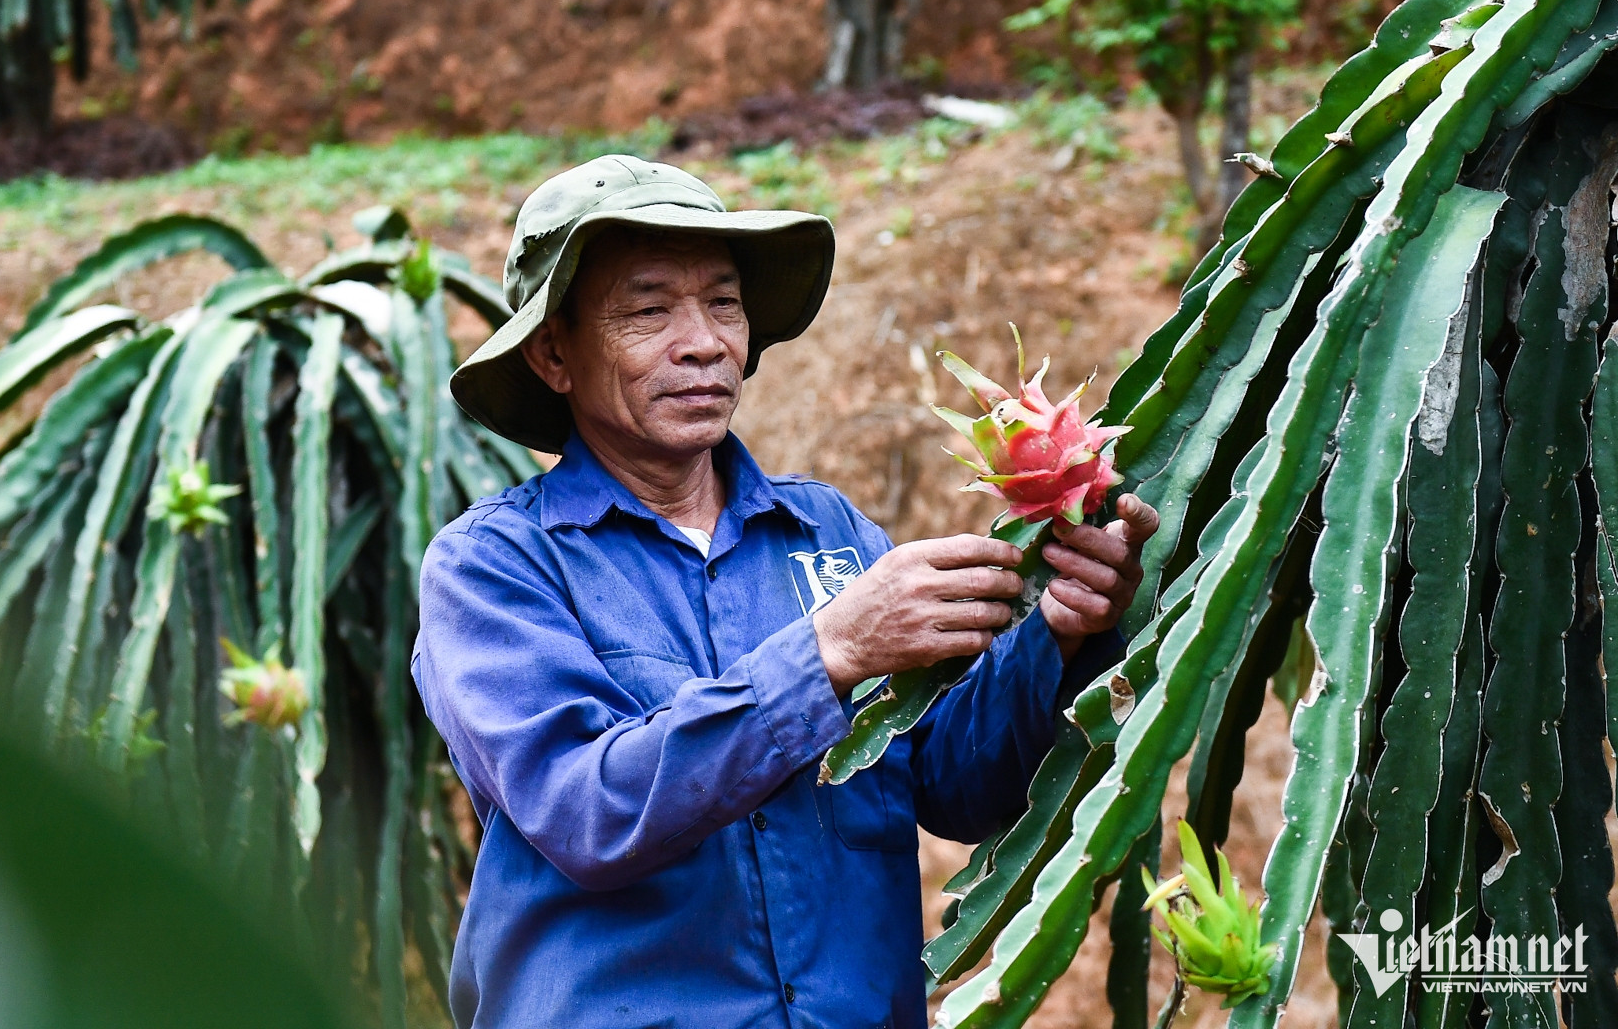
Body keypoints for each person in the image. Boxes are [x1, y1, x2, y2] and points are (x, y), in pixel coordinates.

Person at [415, 155, 1160, 1029]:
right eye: (650, 310)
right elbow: (585, 807)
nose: (704, 341)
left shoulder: (830, 534)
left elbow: (954, 784)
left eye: (724, 303)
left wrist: (1063, 637)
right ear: (554, 354)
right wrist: (830, 652)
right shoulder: (494, 567)